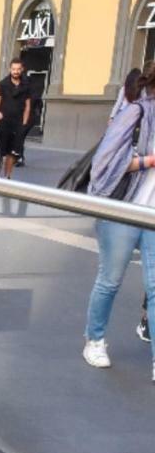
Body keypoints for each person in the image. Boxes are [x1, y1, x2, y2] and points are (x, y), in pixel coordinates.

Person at [82, 59, 155, 378]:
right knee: (110, 280)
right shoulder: (137, 112)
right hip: (123, 209)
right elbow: (103, 164)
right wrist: (150, 161)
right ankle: (94, 340)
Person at [0, 58, 33, 178]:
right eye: (13, 69)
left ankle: (7, 176)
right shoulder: (2, 84)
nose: (16, 71)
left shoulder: (26, 85)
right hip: (4, 122)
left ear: (22, 70)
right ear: (10, 69)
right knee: (1, 151)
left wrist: (24, 123)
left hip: (18, 123)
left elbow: (28, 105)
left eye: (18, 69)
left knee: (12, 152)